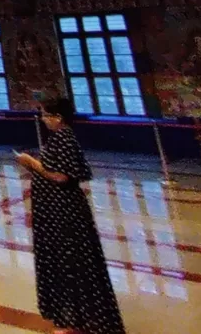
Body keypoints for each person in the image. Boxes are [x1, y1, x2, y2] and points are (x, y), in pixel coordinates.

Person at [15, 97, 126, 334]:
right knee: (62, 261)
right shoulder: (59, 138)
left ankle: (76, 317)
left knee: (70, 262)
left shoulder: (65, 138)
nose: (43, 120)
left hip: (64, 212)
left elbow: (61, 176)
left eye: (46, 115)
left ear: (59, 116)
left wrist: (32, 163)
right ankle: (69, 315)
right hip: (54, 211)